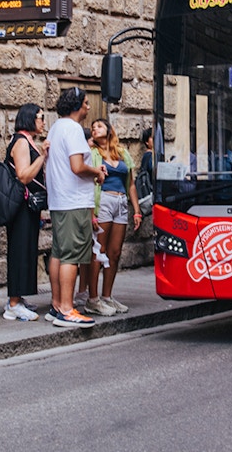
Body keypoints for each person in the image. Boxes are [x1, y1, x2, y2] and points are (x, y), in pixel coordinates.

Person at [44, 88, 105, 328]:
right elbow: (78, 166)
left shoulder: (56, 127)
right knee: (71, 256)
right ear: (77, 105)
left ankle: (57, 305)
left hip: (59, 200)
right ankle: (68, 310)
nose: (89, 108)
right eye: (87, 103)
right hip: (74, 200)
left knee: (59, 253)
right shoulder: (74, 129)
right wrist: (97, 172)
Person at [85, 119, 141, 317]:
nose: (94, 128)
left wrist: (136, 209)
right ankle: (92, 299)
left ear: (109, 131)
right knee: (98, 252)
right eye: (93, 127)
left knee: (115, 252)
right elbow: (88, 183)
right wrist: (92, 212)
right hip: (104, 200)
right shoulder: (92, 154)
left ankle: (107, 296)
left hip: (121, 202)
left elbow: (131, 184)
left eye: (99, 125)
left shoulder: (122, 152)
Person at [2, 103, 47, 322]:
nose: (43, 122)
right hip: (21, 206)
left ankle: (18, 298)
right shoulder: (20, 142)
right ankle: (13, 304)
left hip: (29, 207)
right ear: (29, 118)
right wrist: (42, 157)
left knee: (27, 249)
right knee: (20, 250)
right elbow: (24, 176)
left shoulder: (27, 141)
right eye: (40, 117)